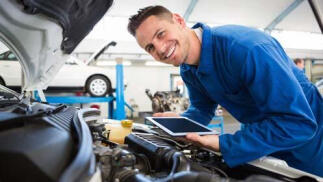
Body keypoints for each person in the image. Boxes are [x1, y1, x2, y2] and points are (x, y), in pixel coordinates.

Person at [127, 5, 323, 176]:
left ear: (179, 20)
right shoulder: (187, 70)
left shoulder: (246, 48)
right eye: (150, 47)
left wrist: (224, 144)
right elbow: (202, 109)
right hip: (260, 135)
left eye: (161, 34)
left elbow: (299, 123)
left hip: (307, 142)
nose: (160, 49)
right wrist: (181, 122)